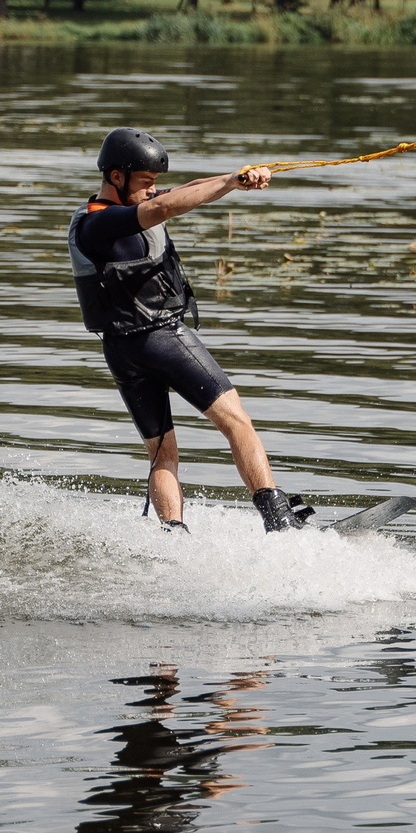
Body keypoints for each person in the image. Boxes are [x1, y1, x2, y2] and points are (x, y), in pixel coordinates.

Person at [67, 128, 312, 533]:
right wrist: (232, 183)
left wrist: (234, 178)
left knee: (163, 454)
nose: (152, 192)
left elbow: (181, 192)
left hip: (120, 352)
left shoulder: (97, 216)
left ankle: (174, 538)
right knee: (236, 421)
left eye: (155, 185)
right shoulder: (100, 224)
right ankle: (279, 520)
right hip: (161, 338)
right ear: (116, 177)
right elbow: (165, 209)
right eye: (145, 184)